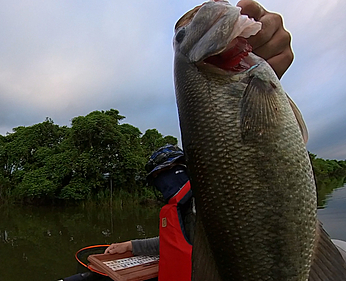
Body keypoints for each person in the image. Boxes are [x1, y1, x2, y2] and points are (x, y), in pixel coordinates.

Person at [104, 1, 294, 281]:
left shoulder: (192, 204)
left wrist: (258, 70)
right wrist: (130, 246)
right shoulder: (188, 208)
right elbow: (175, 239)